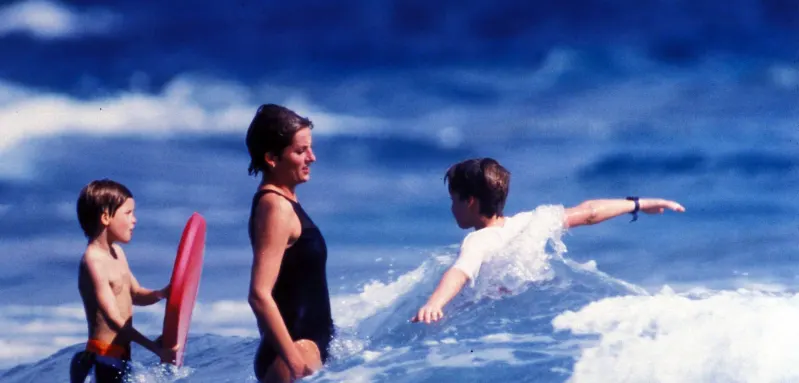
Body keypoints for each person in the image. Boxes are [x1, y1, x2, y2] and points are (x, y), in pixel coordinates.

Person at [412, 158, 685, 324]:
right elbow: (590, 212)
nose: (451, 208)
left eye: (453, 200)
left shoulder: (478, 241)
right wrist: (639, 204)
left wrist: (435, 303)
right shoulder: (533, 220)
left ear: (470, 202)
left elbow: (460, 271)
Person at [246, 104, 335, 383]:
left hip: (298, 352)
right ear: (272, 158)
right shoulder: (275, 207)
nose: (312, 158)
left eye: (309, 148)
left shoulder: (283, 203)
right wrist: (294, 362)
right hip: (294, 357)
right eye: (300, 151)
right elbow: (259, 294)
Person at [70, 179, 177, 383]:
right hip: (100, 361)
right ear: (106, 217)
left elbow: (135, 294)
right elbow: (114, 320)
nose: (134, 220)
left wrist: (162, 293)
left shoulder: (117, 253)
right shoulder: (93, 262)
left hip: (119, 359)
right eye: (128, 213)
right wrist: (154, 348)